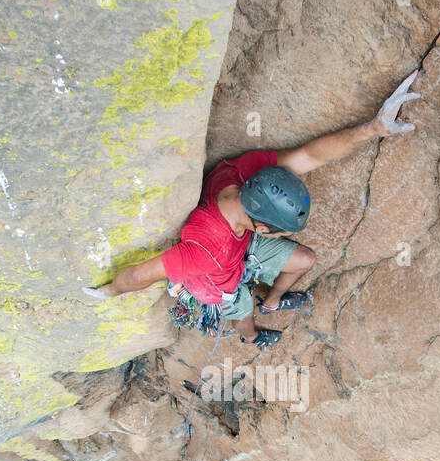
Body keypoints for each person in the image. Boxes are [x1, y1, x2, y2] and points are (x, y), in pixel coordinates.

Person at [84, 71, 421, 348]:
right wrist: (108, 291)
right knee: (242, 307)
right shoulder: (203, 252)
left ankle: (272, 301)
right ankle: (249, 336)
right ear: (263, 229)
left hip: (239, 244)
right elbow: (141, 275)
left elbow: (309, 156)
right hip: (216, 281)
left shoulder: (244, 173)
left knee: (304, 260)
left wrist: (374, 128)